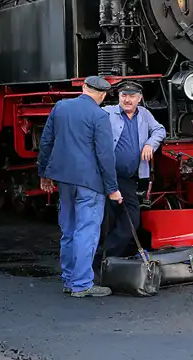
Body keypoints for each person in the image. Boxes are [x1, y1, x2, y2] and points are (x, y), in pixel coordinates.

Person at [37, 76, 122, 298]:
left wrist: (43, 173)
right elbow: (105, 155)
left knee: (69, 229)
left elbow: (46, 142)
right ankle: (82, 284)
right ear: (102, 95)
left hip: (64, 179)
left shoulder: (61, 107)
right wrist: (112, 188)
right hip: (90, 182)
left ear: (84, 88)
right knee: (87, 231)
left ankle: (69, 280)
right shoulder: (99, 115)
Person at [98, 80, 166, 260]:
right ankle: (101, 258)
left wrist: (150, 144)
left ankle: (106, 256)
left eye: (132, 96)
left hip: (128, 178)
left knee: (132, 219)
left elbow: (160, 130)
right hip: (107, 176)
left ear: (140, 98)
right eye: (124, 95)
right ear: (118, 97)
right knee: (107, 218)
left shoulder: (144, 114)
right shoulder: (107, 112)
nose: (127, 100)